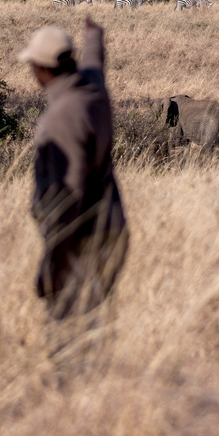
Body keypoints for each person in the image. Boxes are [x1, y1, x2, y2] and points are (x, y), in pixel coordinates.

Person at [19, 18, 129, 320]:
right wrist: (94, 34)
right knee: (95, 318)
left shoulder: (63, 118)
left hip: (83, 235)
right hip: (111, 226)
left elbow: (69, 198)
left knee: (71, 331)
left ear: (40, 69)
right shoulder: (93, 89)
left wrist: (53, 264)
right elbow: (95, 60)